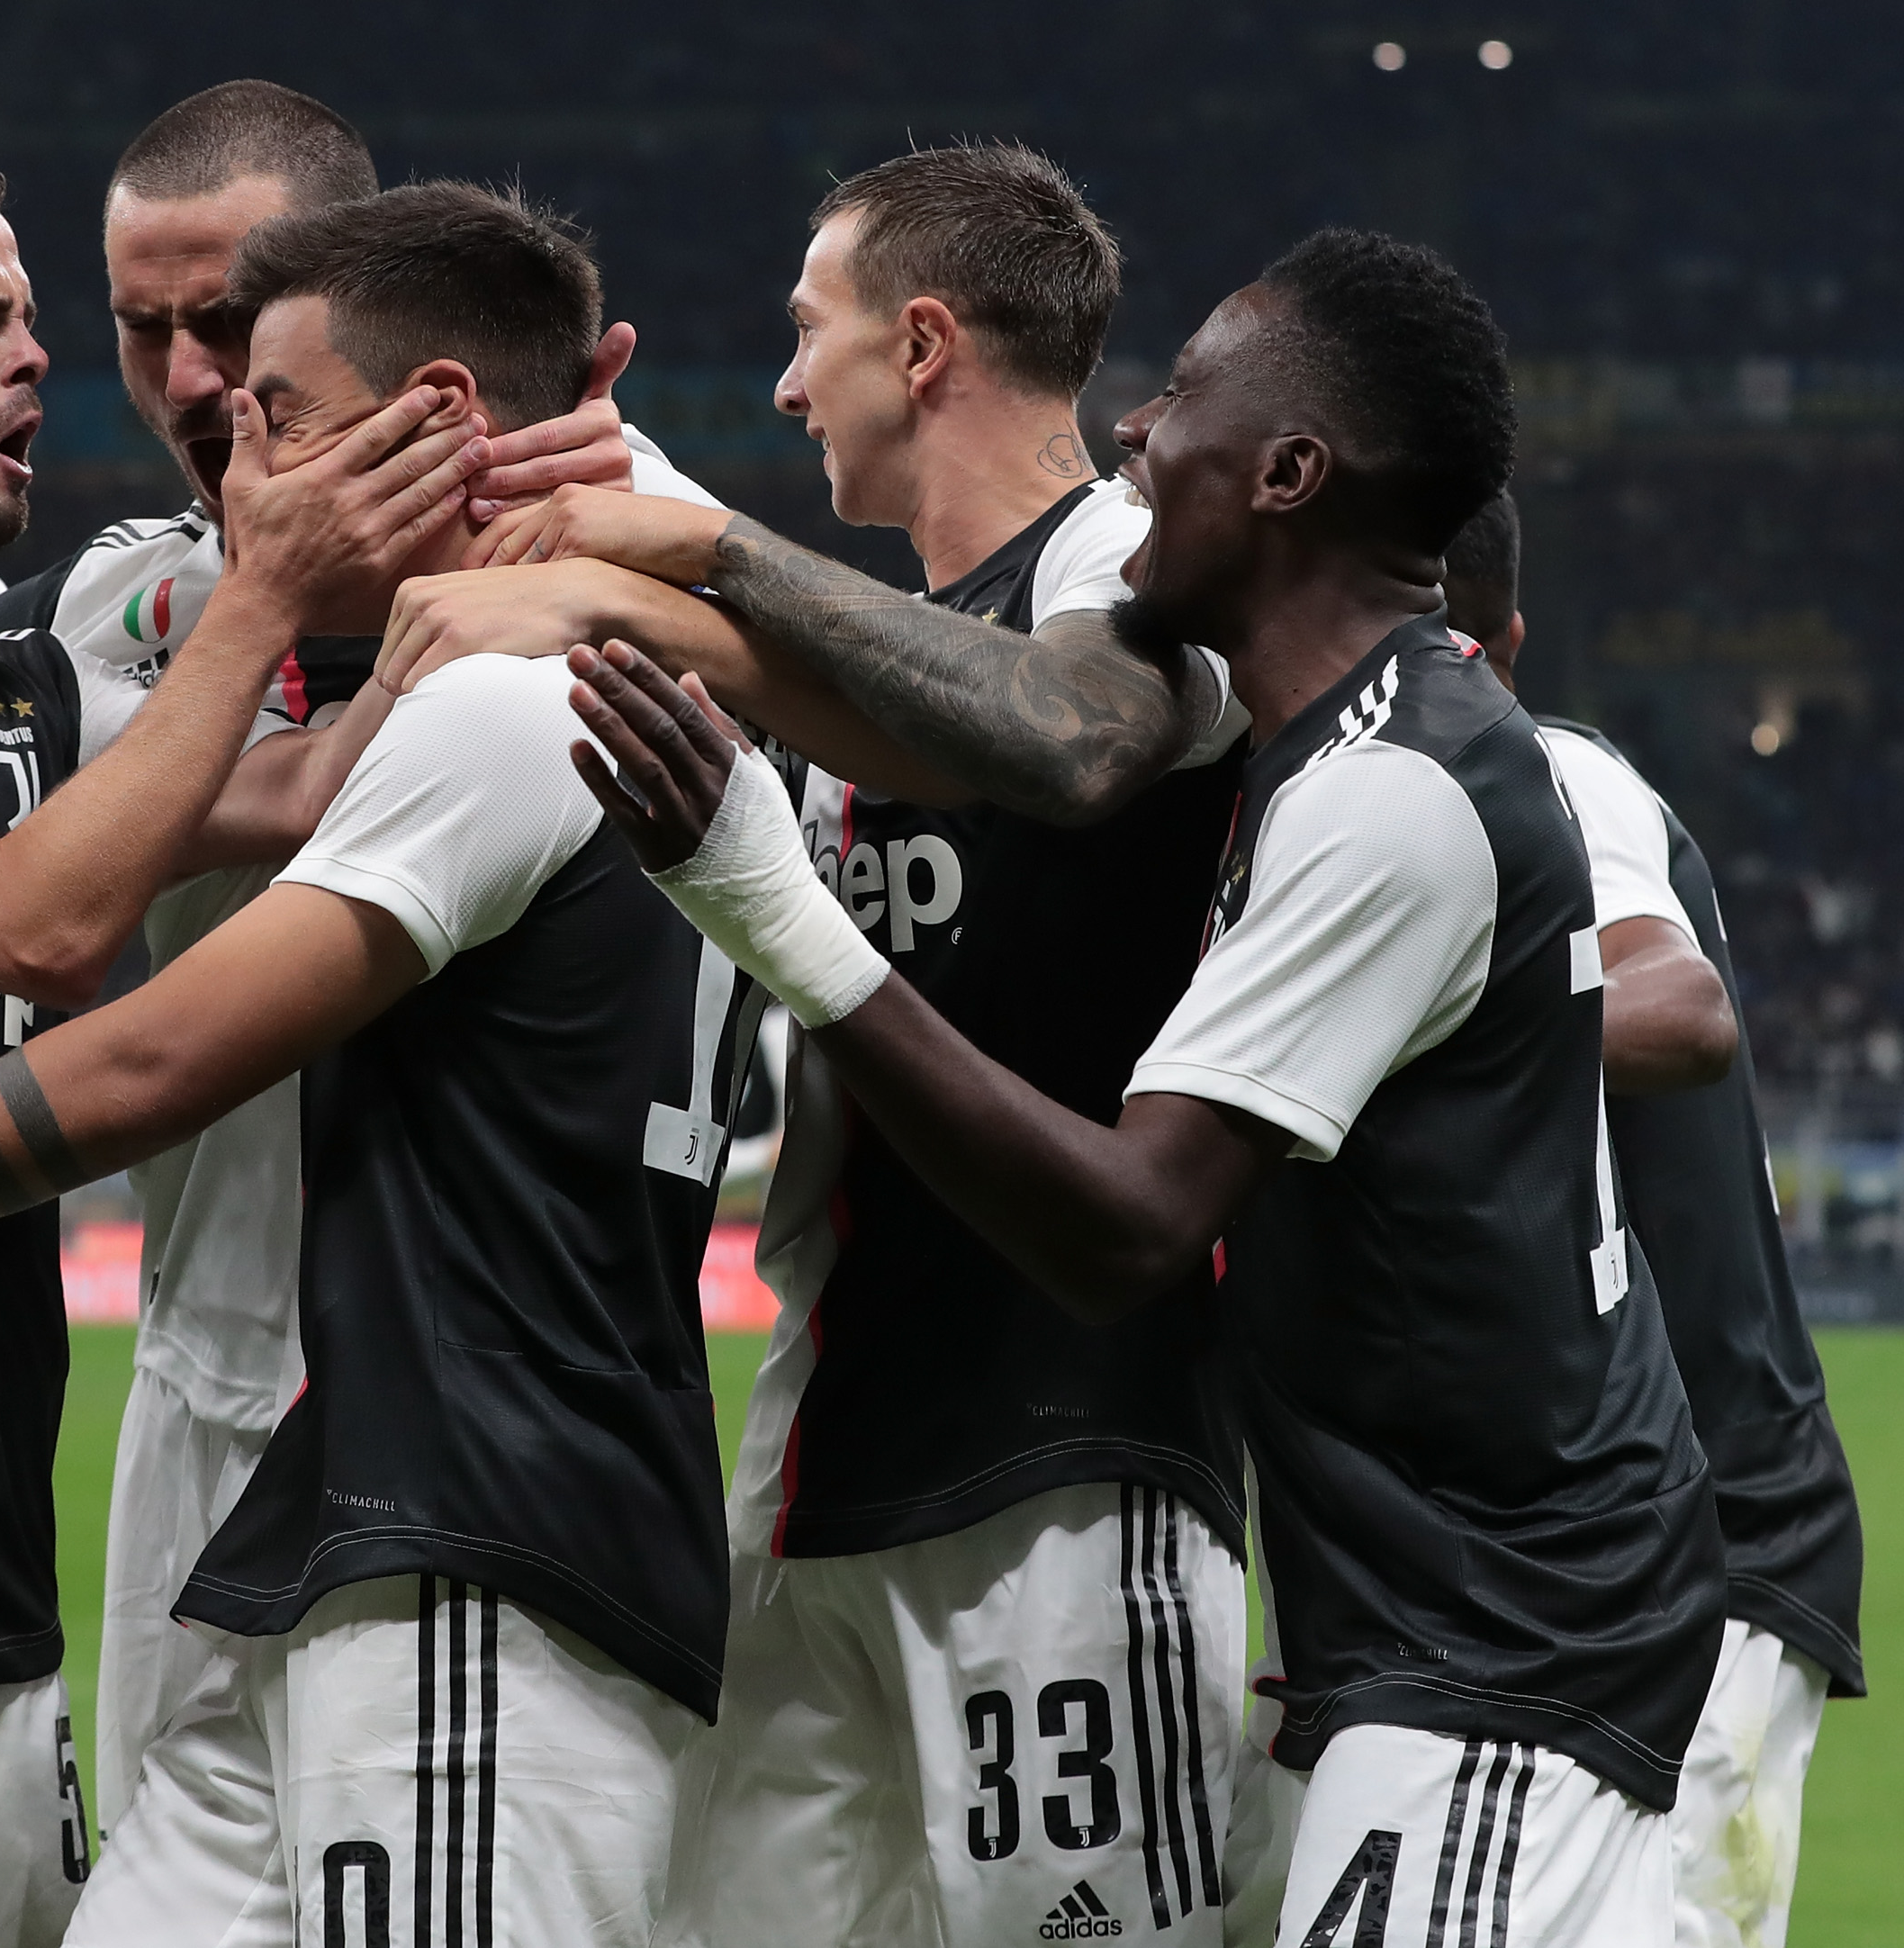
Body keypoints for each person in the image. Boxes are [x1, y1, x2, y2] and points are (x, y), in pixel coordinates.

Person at [0, 181, 771, 1948]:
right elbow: (35, 924)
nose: (47, 359)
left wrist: (567, 546)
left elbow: (298, 784)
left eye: (40, 317)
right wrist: (276, 585)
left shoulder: (21, 696)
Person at [564, 230, 1728, 1948]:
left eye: (1179, 396)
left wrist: (766, 901)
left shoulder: (1389, 795)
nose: (1133, 439)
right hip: (1417, 1628)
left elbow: (1130, 1220)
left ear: (1285, 474)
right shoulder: (1347, 755)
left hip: (1510, 1643)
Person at [384, 140, 1253, 1947]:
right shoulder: (867, 653)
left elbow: (1069, 738)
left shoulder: (1133, 564)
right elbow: (841, 684)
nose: (786, 383)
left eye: (811, 330)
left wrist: (694, 540)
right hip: (819, 1463)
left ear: (921, 344)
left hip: (1069, 1465)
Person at [0, 77, 708, 1834]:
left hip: (495, 1397)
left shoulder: (611, 519)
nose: (188, 377)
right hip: (203, 1378)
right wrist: (267, 606)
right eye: (142, 328)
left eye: (228, 322)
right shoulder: (117, 603)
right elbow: (79, 926)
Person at [1446, 492, 1866, 1948]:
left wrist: (1403, 1035)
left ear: (1489, 649)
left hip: (1718, 1531)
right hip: (1553, 1549)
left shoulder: (1553, 771)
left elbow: (1673, 1003)